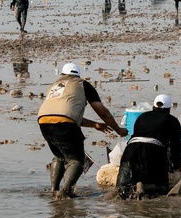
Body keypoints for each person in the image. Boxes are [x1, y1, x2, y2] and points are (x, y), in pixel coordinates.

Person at [37, 63, 127, 199]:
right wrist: (118, 129)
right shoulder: (82, 84)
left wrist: (94, 125)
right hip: (65, 123)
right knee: (76, 160)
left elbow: (67, 115)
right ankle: (65, 191)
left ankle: (53, 190)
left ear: (63, 74)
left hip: (43, 121)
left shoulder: (53, 86)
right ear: (78, 75)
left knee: (60, 156)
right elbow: (103, 112)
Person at [115, 94, 181, 199]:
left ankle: (132, 188)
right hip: (153, 150)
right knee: (162, 188)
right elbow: (175, 146)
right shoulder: (172, 120)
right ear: (169, 109)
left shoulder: (142, 117)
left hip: (130, 150)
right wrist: (178, 165)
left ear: (153, 106)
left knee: (121, 189)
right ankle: (145, 188)